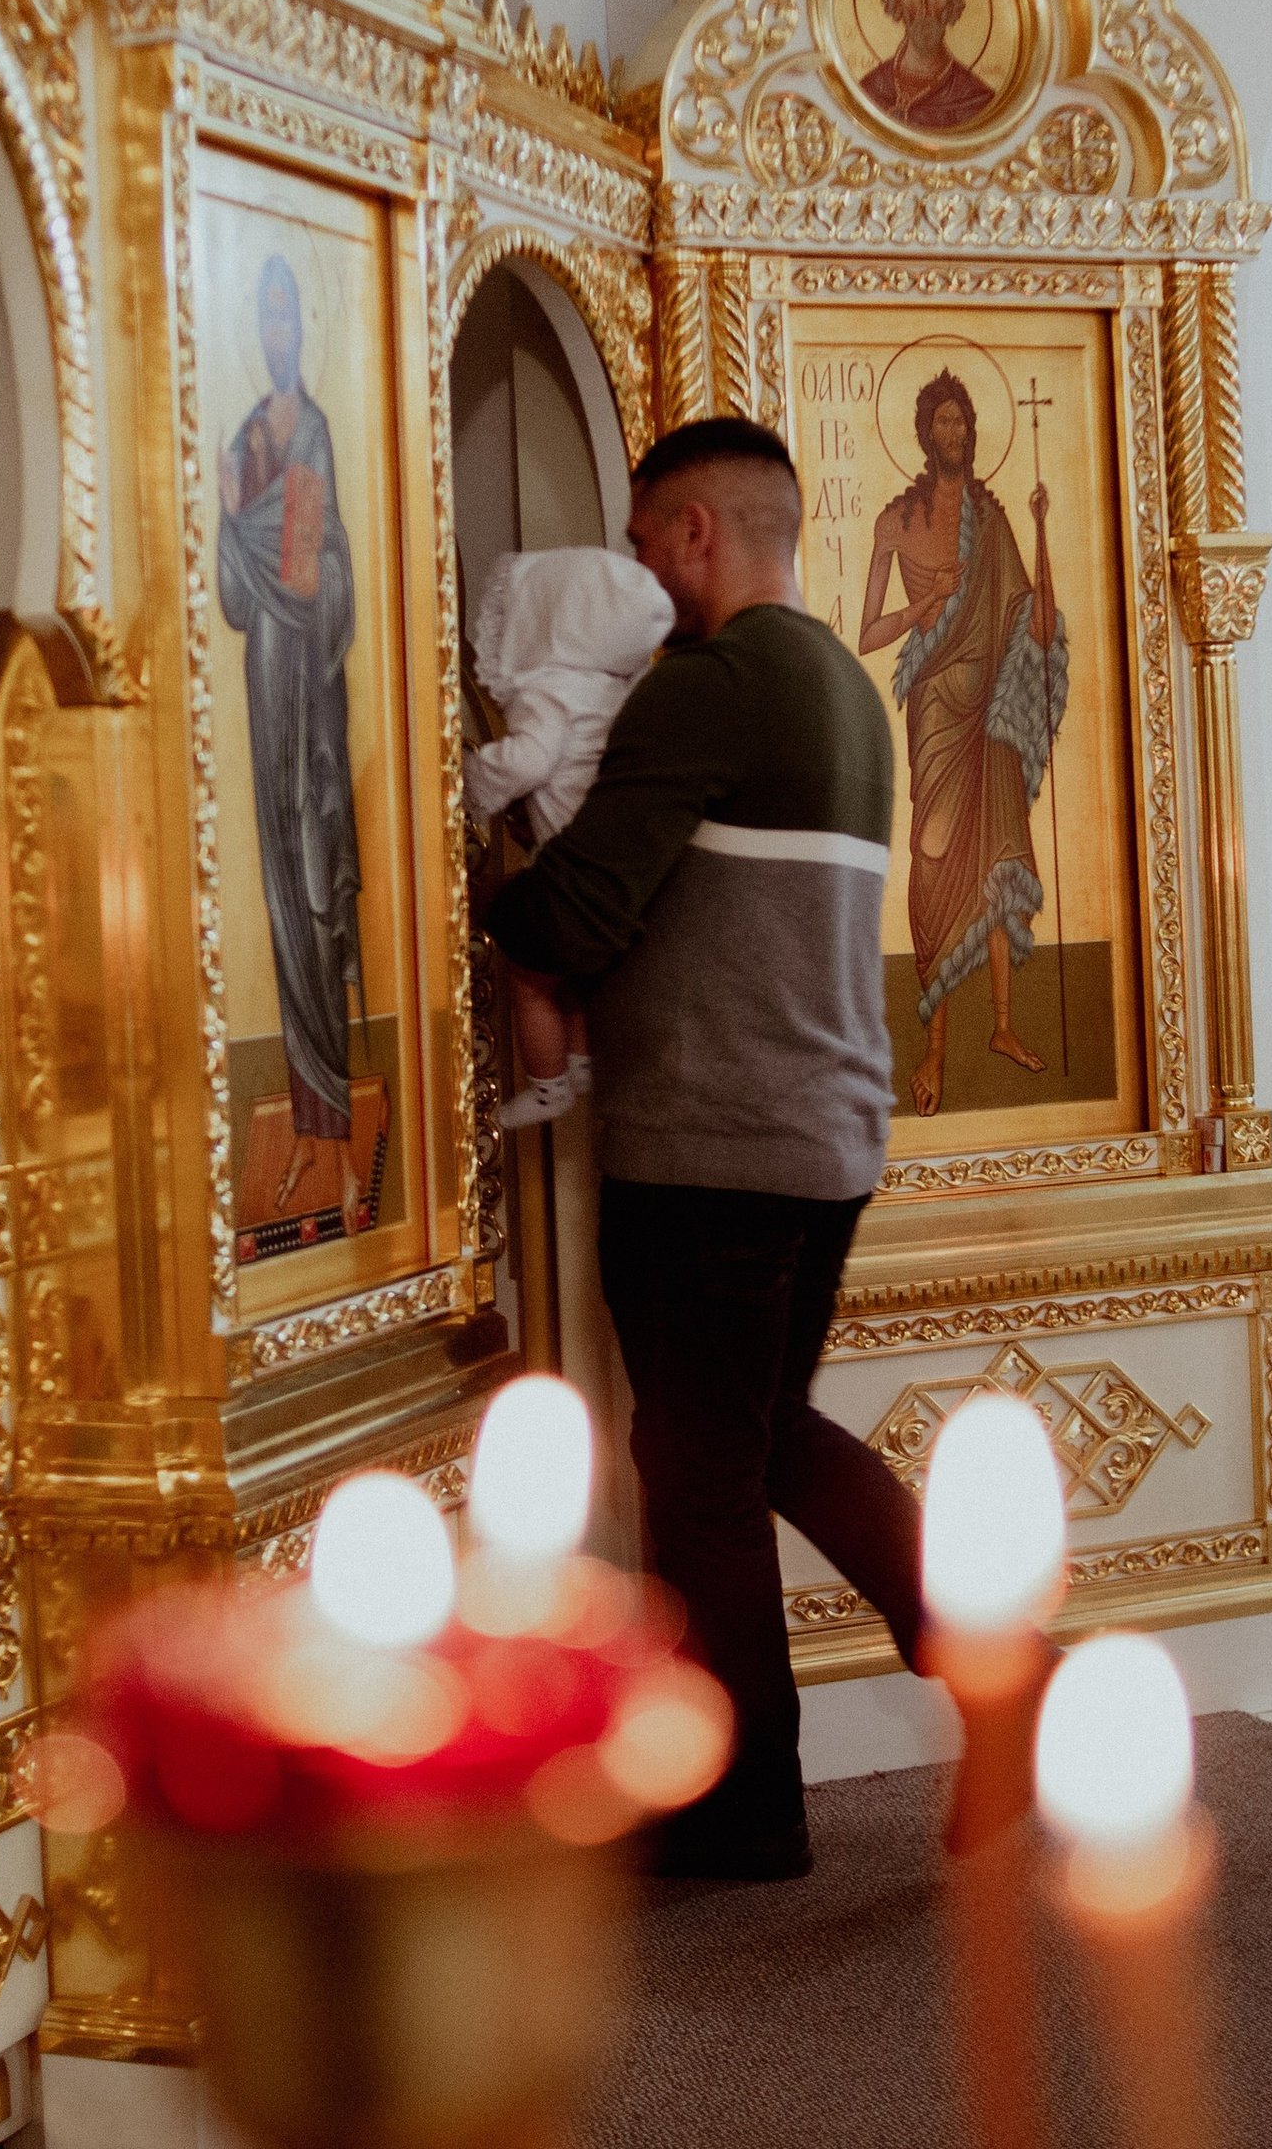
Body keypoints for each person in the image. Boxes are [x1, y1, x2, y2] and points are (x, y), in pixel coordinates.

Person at [485, 417, 924, 1879]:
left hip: (711, 1148)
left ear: (693, 535)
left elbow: (576, 915)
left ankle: (743, 1815)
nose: (636, 574)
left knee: (705, 1483)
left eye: (639, 542)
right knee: (764, 1435)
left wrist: (484, 880)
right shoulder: (847, 693)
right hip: (823, 1136)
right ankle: (990, 1649)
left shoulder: (714, 686)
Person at [857, 369, 1065, 1114]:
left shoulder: (993, 518)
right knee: (937, 859)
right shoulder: (896, 524)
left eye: (965, 424)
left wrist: (1040, 531)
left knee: (998, 860)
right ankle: (936, 1049)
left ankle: (1003, 1026)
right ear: (924, 433)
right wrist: (929, 601)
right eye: (945, 423)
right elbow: (868, 633)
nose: (958, 434)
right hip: (938, 717)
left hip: (991, 719)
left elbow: (1033, 621)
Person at [218, 254, 367, 1222]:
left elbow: (329, 566)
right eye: (263, 315)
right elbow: (238, 597)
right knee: (280, 903)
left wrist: (294, 562)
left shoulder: (311, 428)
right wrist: (239, 522)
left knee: (317, 900)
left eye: (287, 313)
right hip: (263, 686)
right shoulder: (244, 439)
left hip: (310, 697)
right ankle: (316, 1147)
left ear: (301, 328)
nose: (278, 330)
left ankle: (343, 1153)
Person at [464, 546, 676, 1128]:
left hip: (568, 879)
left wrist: (473, 780)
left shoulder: (550, 690)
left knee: (530, 978)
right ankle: (580, 1065)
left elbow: (530, 761)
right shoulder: (621, 690)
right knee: (580, 971)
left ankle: (549, 1087)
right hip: (616, 882)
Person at [857, 0, 994, 131]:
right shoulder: (872, 87)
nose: (924, 9)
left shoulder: (974, 99)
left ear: (951, 4)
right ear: (897, 4)